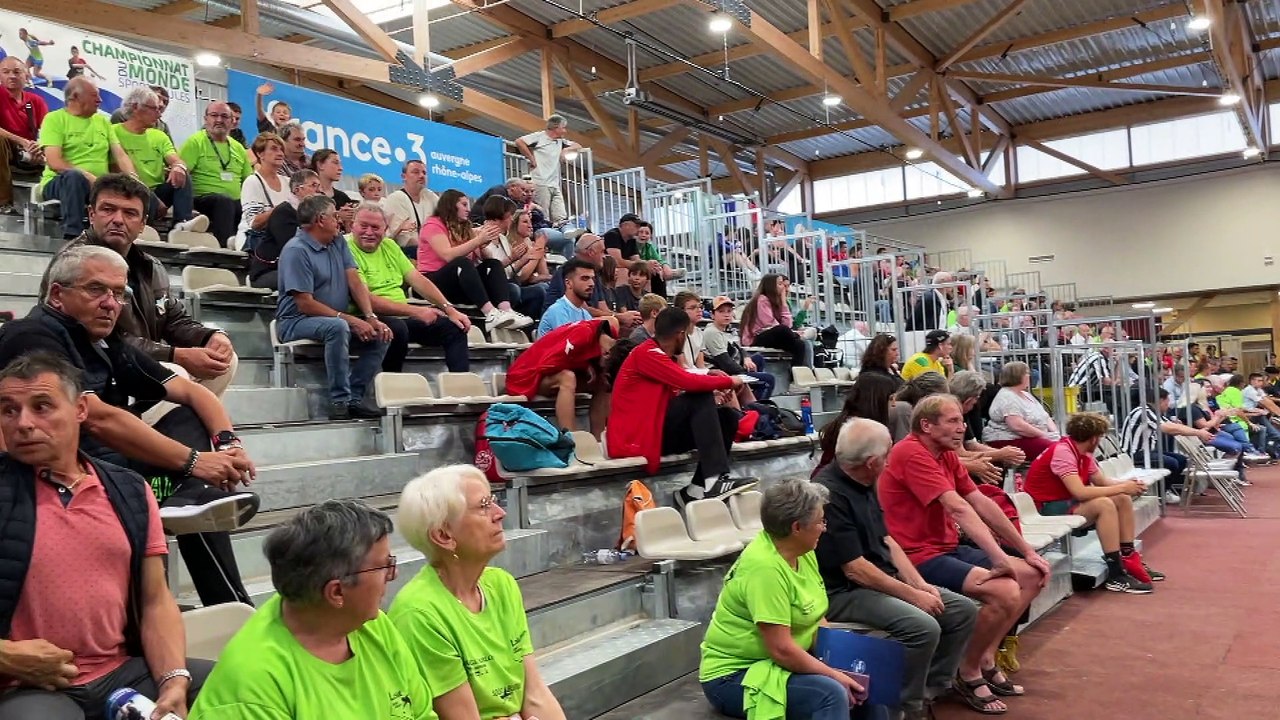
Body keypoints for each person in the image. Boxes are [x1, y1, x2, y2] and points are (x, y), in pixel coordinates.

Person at [0, 243, 257, 607]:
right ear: (57, 295)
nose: (110, 303)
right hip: (65, 474)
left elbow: (192, 393)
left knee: (187, 432)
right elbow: (97, 418)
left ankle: (194, 519)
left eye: (119, 294)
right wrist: (196, 461)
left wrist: (229, 443)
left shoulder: (103, 342)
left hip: (119, 470)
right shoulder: (32, 335)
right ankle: (200, 592)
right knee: (181, 485)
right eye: (96, 289)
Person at [0, 353, 213, 719]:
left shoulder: (129, 489)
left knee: (236, 685)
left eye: (42, 406)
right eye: (8, 410)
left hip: (122, 672)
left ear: (81, 409)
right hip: (29, 685)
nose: (23, 423)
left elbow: (155, 600)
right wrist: (7, 656)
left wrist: (174, 680)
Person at [188, 499, 439, 720]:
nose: (392, 575)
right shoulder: (252, 686)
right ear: (337, 592)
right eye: (384, 567)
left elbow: (421, 713)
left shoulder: (373, 625)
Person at [878, 395, 1050, 714]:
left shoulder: (945, 454)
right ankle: (966, 672)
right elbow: (958, 508)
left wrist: (1026, 551)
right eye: (953, 421)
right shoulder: (911, 453)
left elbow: (981, 501)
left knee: (1032, 574)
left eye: (962, 420)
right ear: (926, 425)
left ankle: (985, 657)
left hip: (946, 547)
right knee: (1005, 589)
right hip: (915, 557)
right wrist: (999, 557)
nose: (962, 428)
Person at [816, 419, 978, 720]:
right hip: (843, 591)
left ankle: (931, 688)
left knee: (962, 611)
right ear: (872, 462)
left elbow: (887, 540)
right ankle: (904, 707)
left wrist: (919, 584)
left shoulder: (866, 481)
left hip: (878, 579)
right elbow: (855, 570)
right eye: (888, 452)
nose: (892, 457)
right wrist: (913, 596)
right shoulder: (829, 494)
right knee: (923, 626)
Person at [41, 174, 239, 414]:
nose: (118, 220)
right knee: (174, 374)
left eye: (129, 213)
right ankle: (144, 442)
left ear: (143, 223)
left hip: (136, 365)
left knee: (225, 361)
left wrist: (211, 336)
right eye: (108, 210)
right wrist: (175, 355)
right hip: (89, 370)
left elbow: (173, 319)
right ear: (91, 214)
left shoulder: (150, 265)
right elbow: (97, 339)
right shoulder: (72, 263)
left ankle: (173, 435)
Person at [390, 466, 567, 720]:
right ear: (443, 535)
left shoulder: (502, 585)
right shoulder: (419, 613)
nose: (500, 513)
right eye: (484, 506)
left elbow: (535, 695)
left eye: (493, 501)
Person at [700, 480, 867, 720]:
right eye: (821, 521)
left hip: (780, 659)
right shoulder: (765, 569)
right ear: (797, 527)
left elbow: (815, 616)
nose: (824, 528)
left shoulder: (802, 551)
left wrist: (839, 657)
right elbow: (781, 650)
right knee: (831, 692)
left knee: (865, 685)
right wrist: (832, 673)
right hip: (735, 675)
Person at [605, 308, 752, 509]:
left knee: (727, 417)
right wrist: (729, 380)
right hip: (636, 438)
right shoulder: (645, 353)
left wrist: (715, 394)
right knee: (698, 396)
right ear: (681, 334)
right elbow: (688, 381)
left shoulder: (660, 356)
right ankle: (713, 481)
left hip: (654, 430)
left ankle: (694, 490)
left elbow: (676, 391)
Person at [275, 194, 392, 419]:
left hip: (333, 318)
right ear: (320, 219)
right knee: (337, 327)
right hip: (295, 321)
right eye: (334, 216)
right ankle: (340, 402)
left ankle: (355, 398)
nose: (339, 221)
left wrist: (369, 316)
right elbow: (305, 304)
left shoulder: (337, 241)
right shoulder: (296, 250)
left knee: (381, 333)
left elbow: (354, 280)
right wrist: (349, 319)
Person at [1025, 412, 1164, 592]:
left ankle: (1129, 558)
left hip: (1065, 501)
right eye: (1100, 437)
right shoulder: (1063, 452)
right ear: (1093, 439)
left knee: (1121, 499)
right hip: (1045, 507)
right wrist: (1123, 488)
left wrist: (1128, 485)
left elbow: (1102, 482)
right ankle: (1115, 574)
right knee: (1104, 505)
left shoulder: (1082, 452)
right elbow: (1080, 492)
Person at [346, 201, 471, 374]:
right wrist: (417, 311)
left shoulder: (389, 245)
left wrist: (449, 308)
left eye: (375, 227)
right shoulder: (345, 248)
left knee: (454, 327)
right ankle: (394, 387)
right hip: (367, 317)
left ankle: (462, 389)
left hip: (401, 315)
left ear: (385, 228)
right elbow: (366, 299)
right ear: (352, 225)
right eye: (363, 226)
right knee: (397, 329)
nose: (369, 232)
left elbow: (418, 280)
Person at [416, 189, 533, 331]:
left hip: (458, 283)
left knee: (493, 264)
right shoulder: (433, 225)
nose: (469, 209)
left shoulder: (466, 227)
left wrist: (483, 244)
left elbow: (488, 262)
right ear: (451, 205)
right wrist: (478, 240)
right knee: (462, 263)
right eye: (464, 205)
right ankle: (490, 313)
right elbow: (448, 255)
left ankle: (506, 311)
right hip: (430, 282)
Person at [37, 77, 136, 239]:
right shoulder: (54, 119)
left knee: (138, 190)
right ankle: (73, 235)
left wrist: (133, 179)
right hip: (60, 182)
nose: (100, 100)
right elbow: (55, 162)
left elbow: (120, 154)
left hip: (98, 186)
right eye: (94, 95)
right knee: (74, 177)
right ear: (74, 97)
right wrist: (88, 176)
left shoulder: (103, 121)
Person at [112, 87, 206, 231]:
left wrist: (178, 167)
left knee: (182, 174)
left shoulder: (159, 136)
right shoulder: (113, 131)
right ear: (136, 107)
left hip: (157, 193)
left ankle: (182, 224)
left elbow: (176, 159)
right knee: (132, 185)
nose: (159, 114)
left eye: (160, 109)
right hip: (127, 189)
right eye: (154, 109)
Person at [505, 317, 617, 435]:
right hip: (525, 375)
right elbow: (548, 365)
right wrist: (585, 365)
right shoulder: (583, 334)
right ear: (606, 354)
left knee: (604, 382)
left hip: (547, 374)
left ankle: (598, 439)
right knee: (567, 377)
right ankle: (572, 437)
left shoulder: (609, 338)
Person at [179, 102, 253, 247]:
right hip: (202, 200)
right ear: (206, 119)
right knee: (224, 202)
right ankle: (224, 248)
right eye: (214, 115)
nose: (219, 120)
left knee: (250, 208)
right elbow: (182, 175)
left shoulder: (238, 148)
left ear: (232, 121)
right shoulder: (195, 142)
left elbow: (248, 180)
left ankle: (248, 249)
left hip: (232, 202)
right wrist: (186, 208)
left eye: (224, 116)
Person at [1118, 388, 1204, 505]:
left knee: (1181, 459)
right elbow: (1169, 428)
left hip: (1146, 452)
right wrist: (1199, 432)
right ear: (1160, 400)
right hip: (1134, 454)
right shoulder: (1144, 412)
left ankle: (1164, 490)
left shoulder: (1154, 412)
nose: (1168, 404)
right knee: (1172, 463)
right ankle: (1161, 493)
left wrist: (1194, 431)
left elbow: (1172, 426)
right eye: (1167, 401)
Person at [815, 372, 900, 473]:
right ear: (876, 400)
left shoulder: (847, 422)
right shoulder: (856, 431)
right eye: (890, 399)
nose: (894, 404)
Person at [250, 168, 320, 290]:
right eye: (314, 186)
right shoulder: (283, 212)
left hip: (295, 269)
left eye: (319, 186)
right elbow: (292, 249)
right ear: (297, 190)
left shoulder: (313, 215)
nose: (319, 190)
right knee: (311, 280)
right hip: (268, 272)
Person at [477, 195, 545, 321]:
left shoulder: (503, 238)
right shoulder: (479, 234)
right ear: (500, 216)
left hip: (507, 282)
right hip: (487, 288)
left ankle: (528, 328)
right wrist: (512, 258)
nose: (511, 221)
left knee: (539, 291)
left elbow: (510, 273)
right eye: (509, 217)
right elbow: (490, 269)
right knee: (514, 290)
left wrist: (520, 259)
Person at [982, 361, 1059, 461]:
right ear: (1018, 376)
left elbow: (1045, 416)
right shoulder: (1007, 396)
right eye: (1027, 373)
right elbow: (1017, 426)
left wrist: (1055, 433)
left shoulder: (1026, 394)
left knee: (1065, 445)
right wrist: (1044, 435)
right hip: (1010, 439)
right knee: (1056, 450)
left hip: (1032, 437)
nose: (1029, 376)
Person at [704, 296, 775, 401]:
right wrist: (748, 375)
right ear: (712, 315)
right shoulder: (712, 332)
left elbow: (739, 349)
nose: (726, 314)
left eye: (729, 311)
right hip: (725, 372)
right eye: (721, 311)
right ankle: (756, 407)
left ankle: (751, 395)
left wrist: (746, 358)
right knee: (769, 380)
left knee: (758, 359)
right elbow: (726, 363)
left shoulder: (729, 330)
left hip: (734, 366)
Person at [0, 56, 47, 215]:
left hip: (29, 152)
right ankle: (4, 203)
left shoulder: (36, 101)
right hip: (6, 147)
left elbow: (48, 131)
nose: (12, 76)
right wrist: (23, 142)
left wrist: (38, 149)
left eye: (16, 72)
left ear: (26, 75)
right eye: (6, 72)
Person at [516, 114, 581, 226]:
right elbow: (519, 141)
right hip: (540, 181)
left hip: (554, 183)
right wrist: (531, 159)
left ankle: (563, 231)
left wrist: (566, 150)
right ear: (556, 128)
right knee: (542, 212)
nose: (565, 131)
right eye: (563, 128)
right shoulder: (539, 136)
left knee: (561, 214)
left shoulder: (560, 141)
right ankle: (543, 233)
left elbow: (578, 146)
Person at [739, 274, 811, 367]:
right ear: (771, 286)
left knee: (800, 344)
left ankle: (796, 373)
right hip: (755, 338)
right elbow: (769, 323)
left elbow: (788, 324)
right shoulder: (762, 299)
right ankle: (798, 335)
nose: (784, 288)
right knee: (782, 329)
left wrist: (784, 303)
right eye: (780, 284)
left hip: (773, 336)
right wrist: (792, 333)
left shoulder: (778, 301)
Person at [381, 159, 439, 257]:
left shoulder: (430, 196)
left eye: (424, 173)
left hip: (428, 249)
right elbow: (405, 240)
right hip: (404, 252)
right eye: (416, 172)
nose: (421, 176)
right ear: (404, 177)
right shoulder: (396, 198)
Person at [538, 258, 597, 336]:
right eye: (585, 278)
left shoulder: (585, 314)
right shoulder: (557, 311)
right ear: (568, 283)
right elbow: (569, 344)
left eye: (592, 279)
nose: (591, 284)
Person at [501, 208, 553, 291]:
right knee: (542, 289)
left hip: (531, 284)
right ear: (514, 225)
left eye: (530, 222)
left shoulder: (529, 243)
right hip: (514, 287)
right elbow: (520, 277)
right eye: (525, 222)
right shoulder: (508, 244)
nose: (530, 226)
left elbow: (544, 275)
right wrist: (538, 249)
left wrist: (539, 249)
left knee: (550, 286)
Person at [311, 148, 356, 227]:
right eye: (335, 163)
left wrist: (348, 220)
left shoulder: (343, 198)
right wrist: (338, 216)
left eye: (340, 164)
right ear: (320, 165)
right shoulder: (310, 196)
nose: (340, 168)